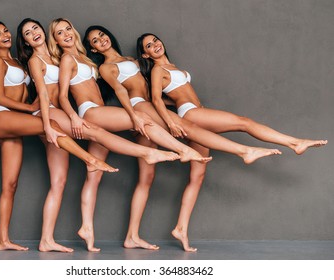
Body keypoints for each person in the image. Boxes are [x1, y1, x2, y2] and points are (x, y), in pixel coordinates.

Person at [83, 26, 284, 252]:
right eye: (95, 40)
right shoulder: (106, 67)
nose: (101, 40)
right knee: (188, 128)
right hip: (140, 107)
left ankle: (132, 236)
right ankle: (242, 151)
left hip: (147, 107)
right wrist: (135, 118)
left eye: (102, 35)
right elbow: (121, 92)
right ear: (93, 48)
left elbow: (153, 88)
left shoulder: (132, 60)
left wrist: (173, 105)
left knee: (146, 177)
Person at [137, 32, 328, 250]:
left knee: (197, 175)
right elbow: (155, 99)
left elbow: (174, 94)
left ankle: (180, 228)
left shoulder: (173, 67)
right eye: (149, 45)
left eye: (155, 40)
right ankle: (294, 143)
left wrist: (176, 103)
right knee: (243, 122)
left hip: (195, 112)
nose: (155, 45)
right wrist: (170, 123)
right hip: (191, 114)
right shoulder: (158, 70)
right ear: (146, 53)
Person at [16, 18, 184, 252]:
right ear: (24, 40)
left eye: (36, 28)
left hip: (67, 112)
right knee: (98, 133)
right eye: (28, 32)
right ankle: (150, 152)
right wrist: (52, 123)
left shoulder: (58, 58)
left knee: (62, 180)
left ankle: (55, 237)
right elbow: (46, 95)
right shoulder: (42, 60)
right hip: (55, 115)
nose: (34, 32)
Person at [48, 18, 213, 252]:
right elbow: (64, 95)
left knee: (94, 173)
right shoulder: (67, 58)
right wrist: (74, 117)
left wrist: (174, 100)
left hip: (100, 111)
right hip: (90, 112)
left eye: (67, 29)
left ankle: (96, 229)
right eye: (59, 32)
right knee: (143, 120)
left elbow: (128, 87)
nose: (65, 34)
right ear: (55, 40)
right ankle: (182, 149)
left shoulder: (84, 58)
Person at [0, 21, 117, 251]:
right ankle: (89, 159)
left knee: (11, 184)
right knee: (52, 125)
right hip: (3, 115)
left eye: (6, 31)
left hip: (18, 121)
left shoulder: (20, 62)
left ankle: (4, 240)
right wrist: (32, 107)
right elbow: (0, 98)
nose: (4, 35)